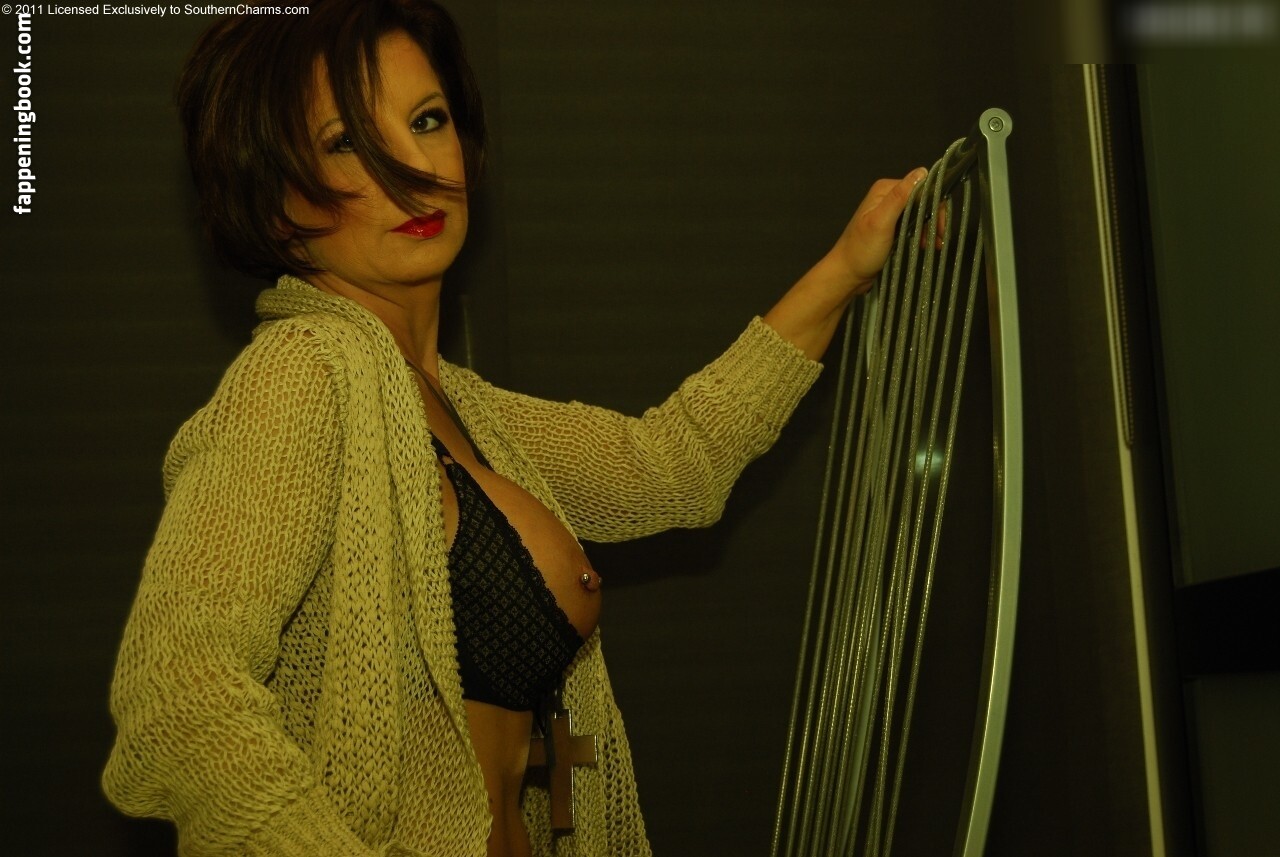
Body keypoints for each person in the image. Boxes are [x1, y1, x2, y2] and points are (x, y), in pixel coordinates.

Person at [101, 2, 925, 855]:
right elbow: (178, 693)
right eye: (347, 142)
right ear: (269, 198)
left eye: (428, 121)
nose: (415, 168)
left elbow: (673, 465)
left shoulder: (456, 405)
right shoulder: (304, 372)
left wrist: (846, 267)